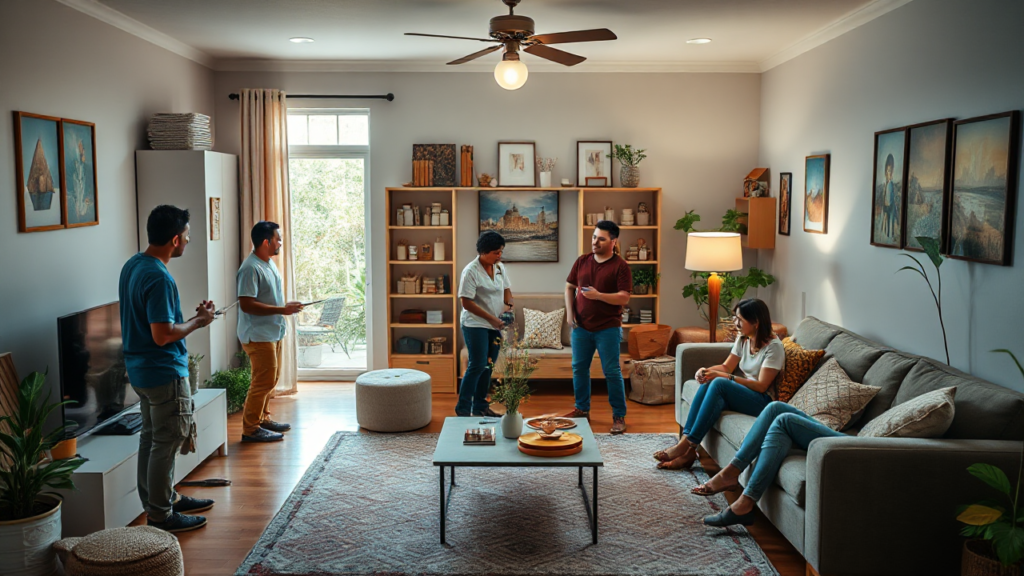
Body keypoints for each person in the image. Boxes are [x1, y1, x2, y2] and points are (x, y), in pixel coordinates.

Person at [119, 205, 216, 533]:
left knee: (151, 439)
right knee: (166, 442)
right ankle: (161, 515)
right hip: (163, 373)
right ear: (175, 239)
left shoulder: (133, 265)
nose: (188, 241)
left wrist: (194, 319)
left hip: (140, 371)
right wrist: (199, 321)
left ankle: (162, 500)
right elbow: (162, 335)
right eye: (187, 236)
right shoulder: (159, 277)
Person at [653, 299, 784, 470]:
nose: (736, 323)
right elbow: (726, 367)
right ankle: (688, 449)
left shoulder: (773, 347)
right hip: (745, 393)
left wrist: (724, 377)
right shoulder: (744, 339)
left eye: (740, 319)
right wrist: (706, 371)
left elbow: (761, 386)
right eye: (735, 318)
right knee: (711, 381)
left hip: (762, 401)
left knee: (720, 383)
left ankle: (686, 445)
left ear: (756, 322)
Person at [696, 401, 843, 527]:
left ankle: (744, 503)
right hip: (842, 435)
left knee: (784, 421)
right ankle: (731, 472)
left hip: (855, 442)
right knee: (775, 408)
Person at [563, 220, 632, 434]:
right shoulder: (582, 261)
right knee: (579, 369)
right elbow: (569, 287)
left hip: (608, 328)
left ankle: (619, 416)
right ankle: (582, 409)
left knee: (611, 372)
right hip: (581, 327)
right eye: (594, 237)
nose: (595, 242)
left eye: (601, 239)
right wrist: (570, 314)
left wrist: (599, 296)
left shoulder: (621, 266)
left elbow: (624, 298)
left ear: (613, 242)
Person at [237, 221, 304, 442]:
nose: (280, 243)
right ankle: (250, 429)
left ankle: (263, 418)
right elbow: (247, 304)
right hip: (258, 335)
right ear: (266, 242)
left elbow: (268, 298)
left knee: (271, 379)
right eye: (278, 239)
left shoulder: (267, 263)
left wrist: (285, 307)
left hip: (272, 332)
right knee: (262, 382)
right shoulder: (250, 268)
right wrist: (282, 310)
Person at [456, 231, 512, 417]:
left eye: (501, 251)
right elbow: (466, 302)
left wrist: (509, 306)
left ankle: (480, 407)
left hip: (494, 325)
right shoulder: (470, 271)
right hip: (475, 324)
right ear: (483, 252)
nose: (500, 255)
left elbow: (507, 290)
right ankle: (463, 409)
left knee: (488, 366)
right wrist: (492, 319)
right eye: (496, 252)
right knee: (478, 364)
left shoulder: (499, 268)